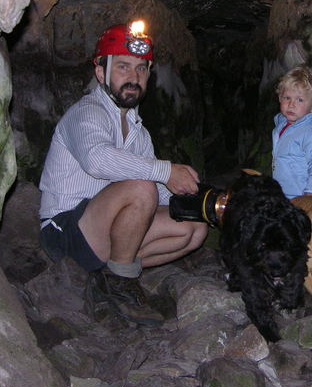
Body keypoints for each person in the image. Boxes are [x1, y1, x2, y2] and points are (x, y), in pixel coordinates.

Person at [38, 20, 207, 326]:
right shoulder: (88, 112)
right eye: (123, 67)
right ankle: (122, 282)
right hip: (66, 229)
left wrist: (204, 201)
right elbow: (97, 160)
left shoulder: (138, 131)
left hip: (101, 231)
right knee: (142, 188)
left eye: (141, 69)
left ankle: (110, 274)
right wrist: (166, 170)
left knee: (193, 230)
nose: (134, 77)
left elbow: (163, 188)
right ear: (101, 72)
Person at [271, 65, 312, 199]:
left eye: (299, 100)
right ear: (279, 98)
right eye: (287, 97)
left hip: (301, 197)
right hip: (281, 195)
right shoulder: (282, 123)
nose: (291, 104)